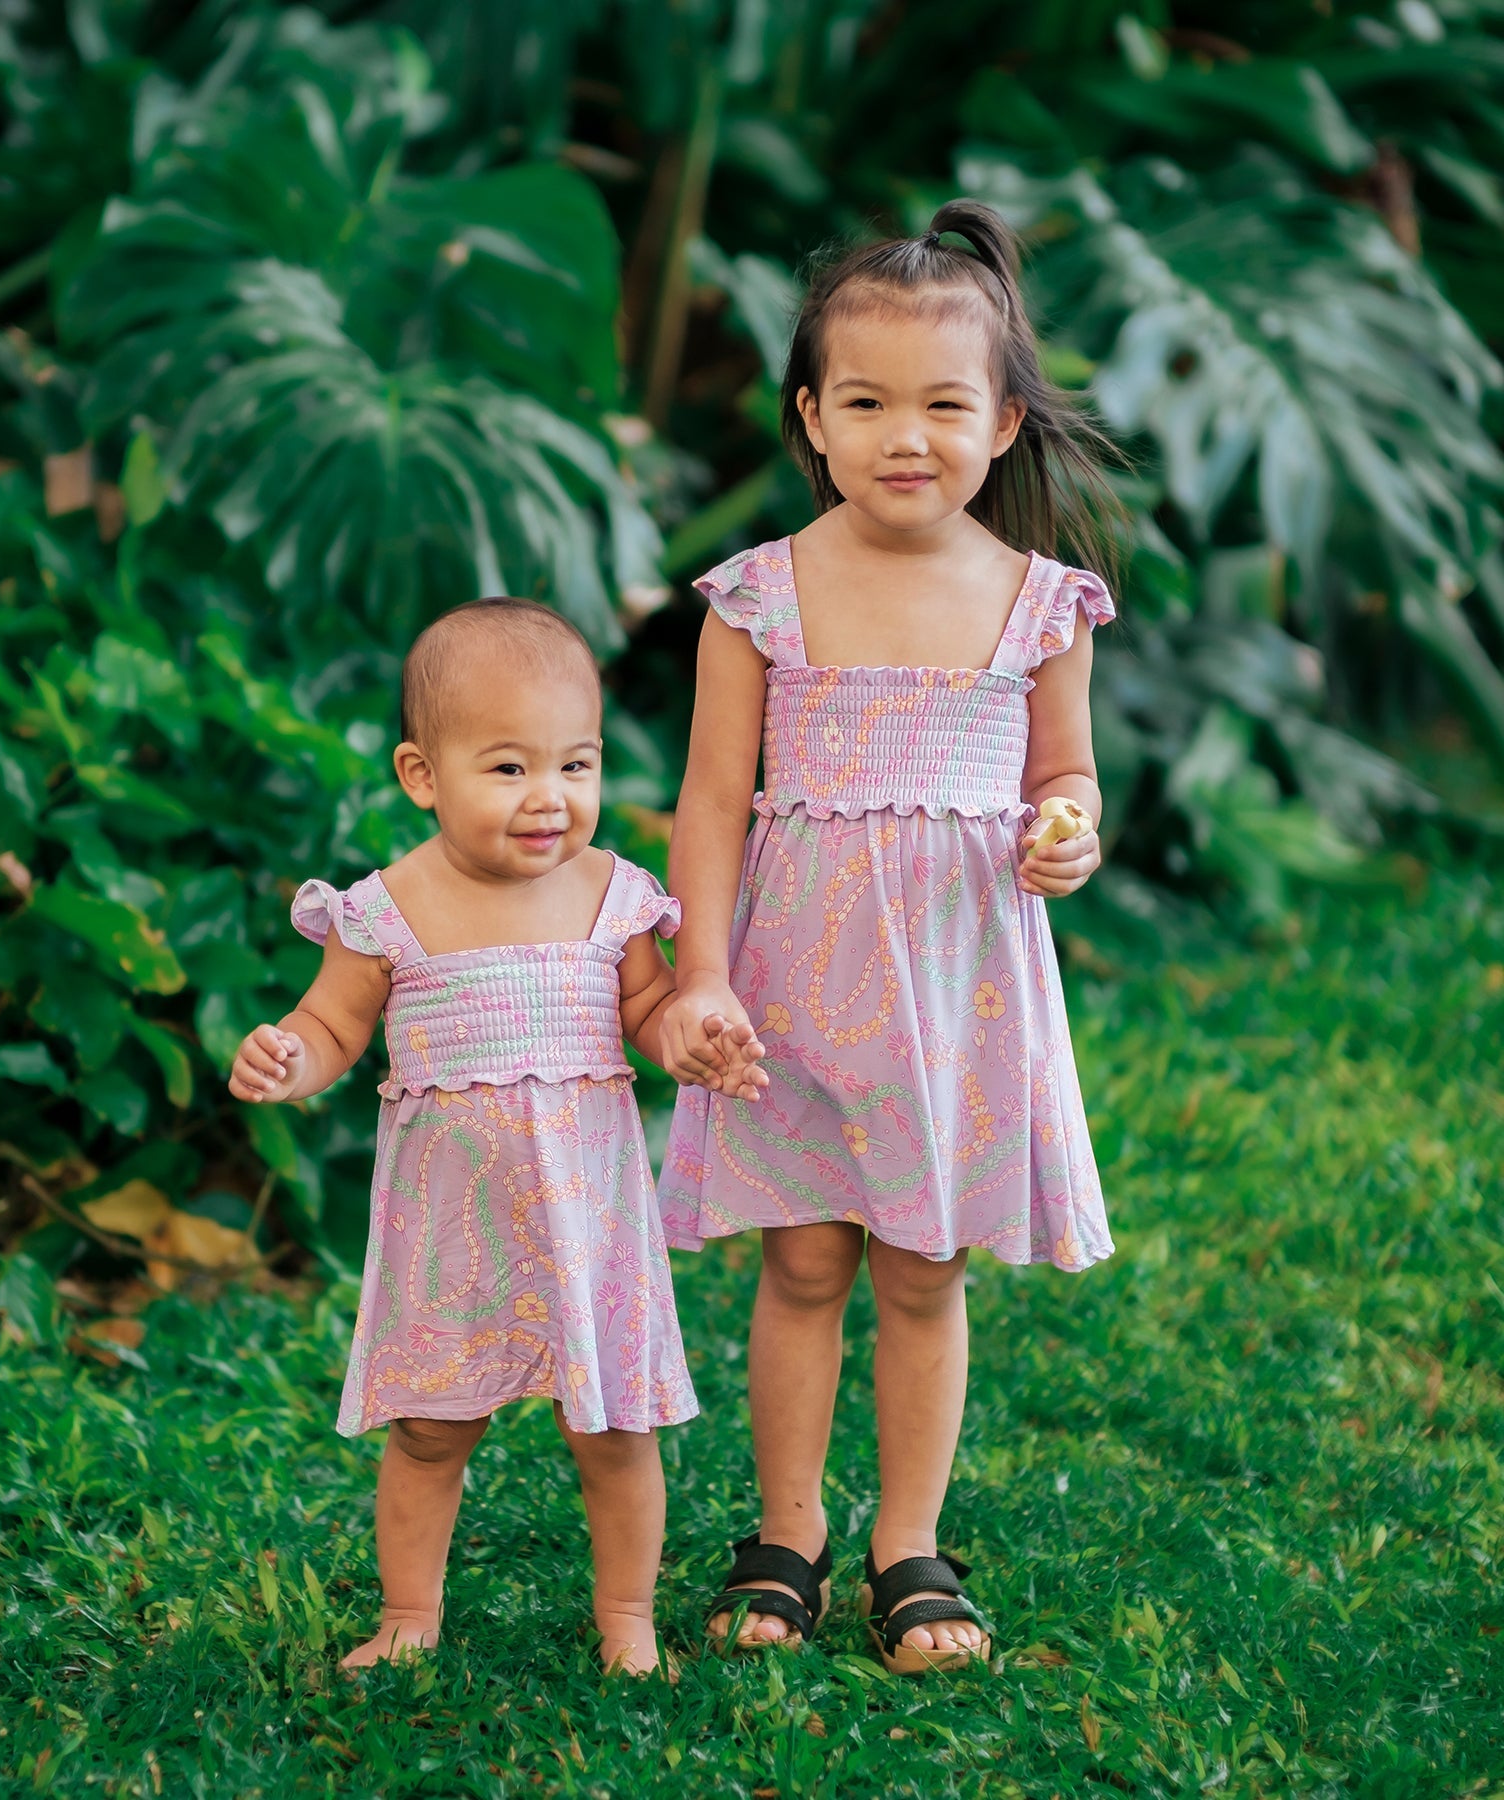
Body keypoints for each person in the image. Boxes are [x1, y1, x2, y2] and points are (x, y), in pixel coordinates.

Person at [657, 201, 1120, 1674]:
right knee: (803, 1263)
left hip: (960, 990)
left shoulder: (1040, 606)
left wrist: (1066, 830)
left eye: (941, 404)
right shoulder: (760, 596)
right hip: (799, 986)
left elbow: (1064, 775)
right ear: (811, 417)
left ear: (1001, 422)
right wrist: (706, 976)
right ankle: (787, 1526)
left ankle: (907, 1542)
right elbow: (711, 802)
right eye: (864, 402)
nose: (903, 435)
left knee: (924, 1268)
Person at [230, 599, 764, 1677]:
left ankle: (627, 1618)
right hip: (451, 1227)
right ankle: (407, 1615)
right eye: (509, 768)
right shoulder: (387, 909)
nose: (549, 799)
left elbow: (649, 1012)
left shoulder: (614, 897)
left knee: (616, 1429)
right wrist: (291, 1058)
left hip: (589, 1218)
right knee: (428, 1429)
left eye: (576, 765)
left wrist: (690, 1039)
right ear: (422, 776)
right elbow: (333, 1023)